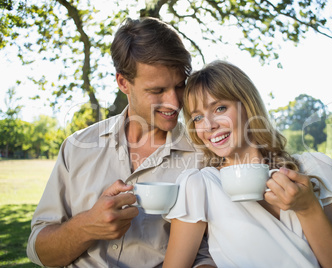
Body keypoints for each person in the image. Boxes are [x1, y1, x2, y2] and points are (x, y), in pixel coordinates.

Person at [26, 17, 216, 268]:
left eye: (180, 86)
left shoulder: (205, 154)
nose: (174, 102)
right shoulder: (77, 147)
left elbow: (212, 250)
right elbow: (40, 253)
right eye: (157, 91)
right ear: (123, 82)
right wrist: (86, 227)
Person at [162, 60, 332, 267]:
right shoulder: (199, 186)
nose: (209, 125)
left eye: (220, 108)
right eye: (198, 118)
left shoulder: (316, 168)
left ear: (248, 106)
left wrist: (308, 209)